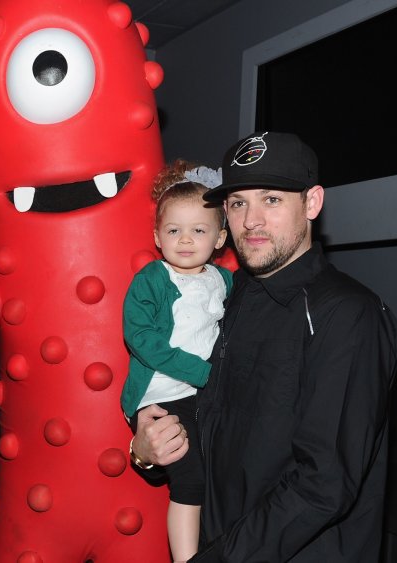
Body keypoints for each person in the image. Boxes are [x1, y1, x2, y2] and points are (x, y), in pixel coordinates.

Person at [130, 132, 397, 562]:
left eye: (271, 199)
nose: (251, 220)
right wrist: (145, 449)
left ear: (312, 203)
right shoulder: (226, 296)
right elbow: (200, 419)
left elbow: (322, 486)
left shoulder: (350, 315)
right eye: (238, 203)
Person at [121, 160, 232, 563]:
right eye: (173, 230)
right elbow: (142, 339)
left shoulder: (223, 281)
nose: (185, 240)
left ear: (220, 238)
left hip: (205, 395)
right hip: (162, 395)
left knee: (218, 473)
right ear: (157, 236)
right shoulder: (152, 278)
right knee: (190, 479)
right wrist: (203, 373)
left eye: (198, 230)